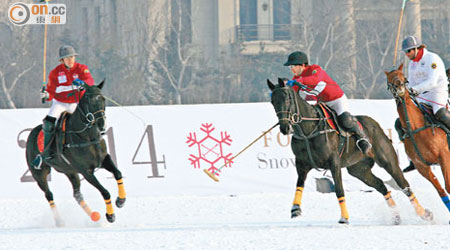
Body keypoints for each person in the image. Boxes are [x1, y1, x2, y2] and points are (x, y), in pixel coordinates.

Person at [283, 51, 372, 155]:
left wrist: (299, 81)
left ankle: (362, 139)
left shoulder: (315, 70)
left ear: (302, 65)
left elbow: (315, 79)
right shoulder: (296, 79)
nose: (291, 69)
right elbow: (293, 96)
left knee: (345, 119)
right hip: (322, 104)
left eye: (293, 66)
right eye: (290, 67)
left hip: (337, 100)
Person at [31, 45, 94, 169]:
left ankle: (93, 146)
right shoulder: (55, 73)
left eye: (72, 57)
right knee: (49, 123)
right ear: (62, 60)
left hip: (75, 103)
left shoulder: (82, 68)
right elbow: (51, 91)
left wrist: (83, 83)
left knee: (88, 119)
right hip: (60, 103)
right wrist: (46, 95)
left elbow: (89, 80)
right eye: (67, 58)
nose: (70, 60)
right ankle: (46, 154)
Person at [395, 36, 448, 172]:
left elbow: (432, 82)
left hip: (437, 93)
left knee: (440, 113)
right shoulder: (412, 64)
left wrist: (414, 90)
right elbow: (412, 82)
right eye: (405, 52)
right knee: (402, 122)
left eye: (408, 52)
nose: (407, 55)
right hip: (421, 97)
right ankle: (413, 158)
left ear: (416, 49)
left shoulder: (432, 59)